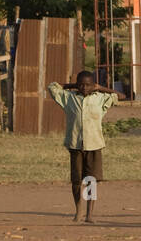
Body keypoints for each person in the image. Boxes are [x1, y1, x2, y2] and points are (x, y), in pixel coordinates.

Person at [47, 71, 119, 224]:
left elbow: (120, 95)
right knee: (76, 181)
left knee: (91, 180)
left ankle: (89, 214)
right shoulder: (69, 99)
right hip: (75, 145)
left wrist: (100, 88)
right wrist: (73, 86)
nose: (84, 88)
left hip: (94, 145)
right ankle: (78, 210)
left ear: (93, 86)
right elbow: (52, 87)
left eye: (88, 85)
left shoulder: (99, 99)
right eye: (81, 85)